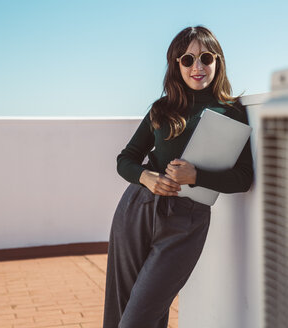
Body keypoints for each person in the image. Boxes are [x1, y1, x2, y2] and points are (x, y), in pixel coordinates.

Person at [102, 26, 254, 328]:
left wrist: (196, 175)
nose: (197, 67)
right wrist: (146, 177)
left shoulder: (232, 112)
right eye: (187, 60)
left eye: (205, 58)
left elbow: (243, 178)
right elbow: (126, 159)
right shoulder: (162, 109)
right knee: (124, 308)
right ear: (176, 65)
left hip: (187, 221)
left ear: (218, 62)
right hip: (138, 208)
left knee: (139, 316)